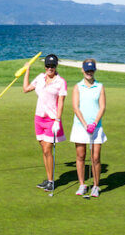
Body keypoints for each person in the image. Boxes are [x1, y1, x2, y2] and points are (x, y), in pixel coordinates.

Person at [23, 53, 67, 191]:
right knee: (44, 150)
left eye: (52, 66)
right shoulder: (40, 78)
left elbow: (60, 103)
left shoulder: (60, 82)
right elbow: (25, 89)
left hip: (52, 120)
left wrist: (57, 120)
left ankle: (51, 181)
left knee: (48, 149)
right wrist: (27, 70)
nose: (50, 68)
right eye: (48, 65)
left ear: (56, 66)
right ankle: (49, 180)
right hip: (39, 118)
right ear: (45, 66)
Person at [70, 59, 107, 198]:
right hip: (80, 126)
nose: (89, 72)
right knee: (80, 156)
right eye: (87, 70)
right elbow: (75, 107)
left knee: (95, 157)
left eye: (91, 70)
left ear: (95, 70)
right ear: (82, 70)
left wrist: (94, 123)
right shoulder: (77, 87)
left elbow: (102, 106)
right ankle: (82, 184)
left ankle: (96, 186)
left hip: (96, 128)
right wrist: (85, 124)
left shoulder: (100, 86)